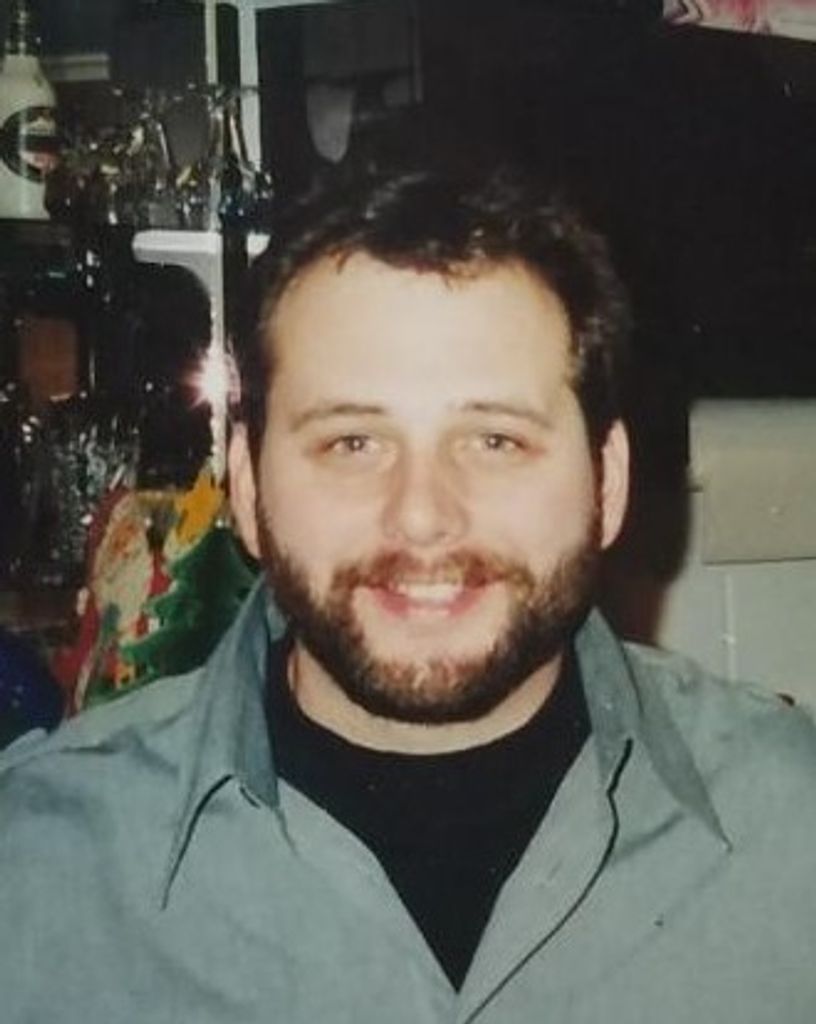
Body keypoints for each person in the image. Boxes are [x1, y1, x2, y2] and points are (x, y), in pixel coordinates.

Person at [2, 165, 816, 1024]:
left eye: (495, 440)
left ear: (606, 483)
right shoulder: (39, 872)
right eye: (353, 442)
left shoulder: (792, 827)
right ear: (245, 484)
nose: (422, 515)